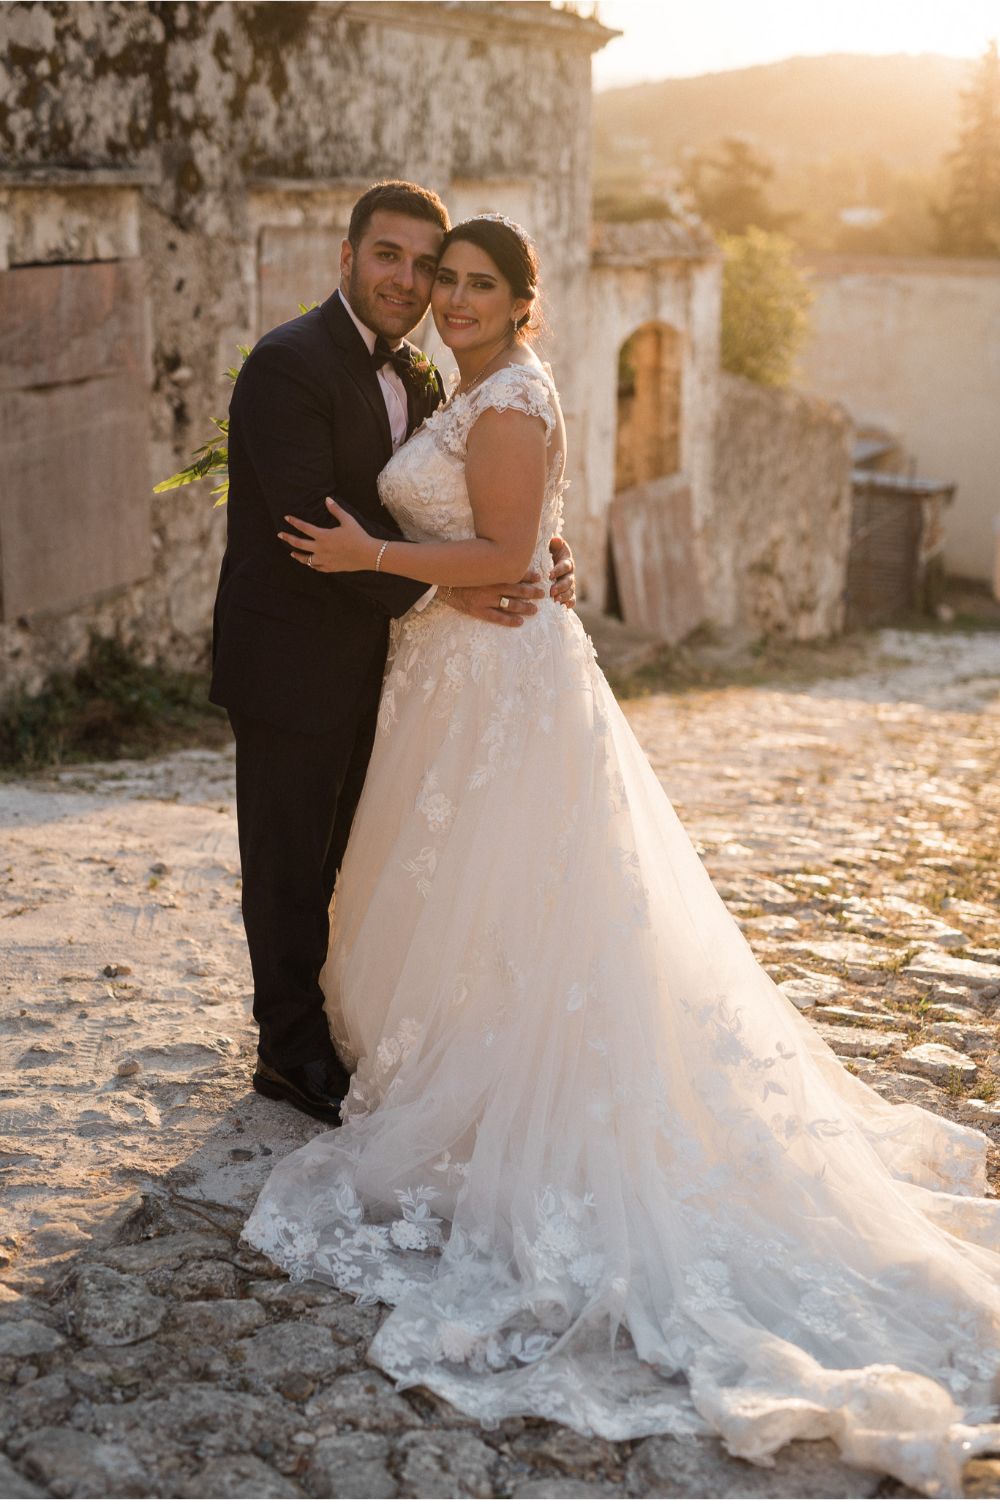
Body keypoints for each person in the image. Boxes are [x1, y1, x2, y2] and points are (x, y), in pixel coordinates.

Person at [243, 216, 1000, 1494]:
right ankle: (401, 1046)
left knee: (524, 890)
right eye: (444, 279)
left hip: (494, 683)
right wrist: (512, 559)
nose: (453, 297)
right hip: (453, 670)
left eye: (479, 284)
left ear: (524, 302)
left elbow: (492, 542)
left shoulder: (504, 391)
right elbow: (505, 537)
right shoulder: (441, 379)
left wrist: (408, 558)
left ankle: (507, 1082)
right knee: (459, 891)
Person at [209, 182, 575, 1124]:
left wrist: (536, 549)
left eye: (432, 267)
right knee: (289, 862)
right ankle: (289, 1053)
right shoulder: (288, 364)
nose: (413, 283)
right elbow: (306, 523)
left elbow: (460, 493)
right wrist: (448, 583)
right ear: (347, 257)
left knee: (365, 859)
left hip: (399, 663)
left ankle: (356, 1025)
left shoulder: (423, 373)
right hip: (294, 656)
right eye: (394, 258)